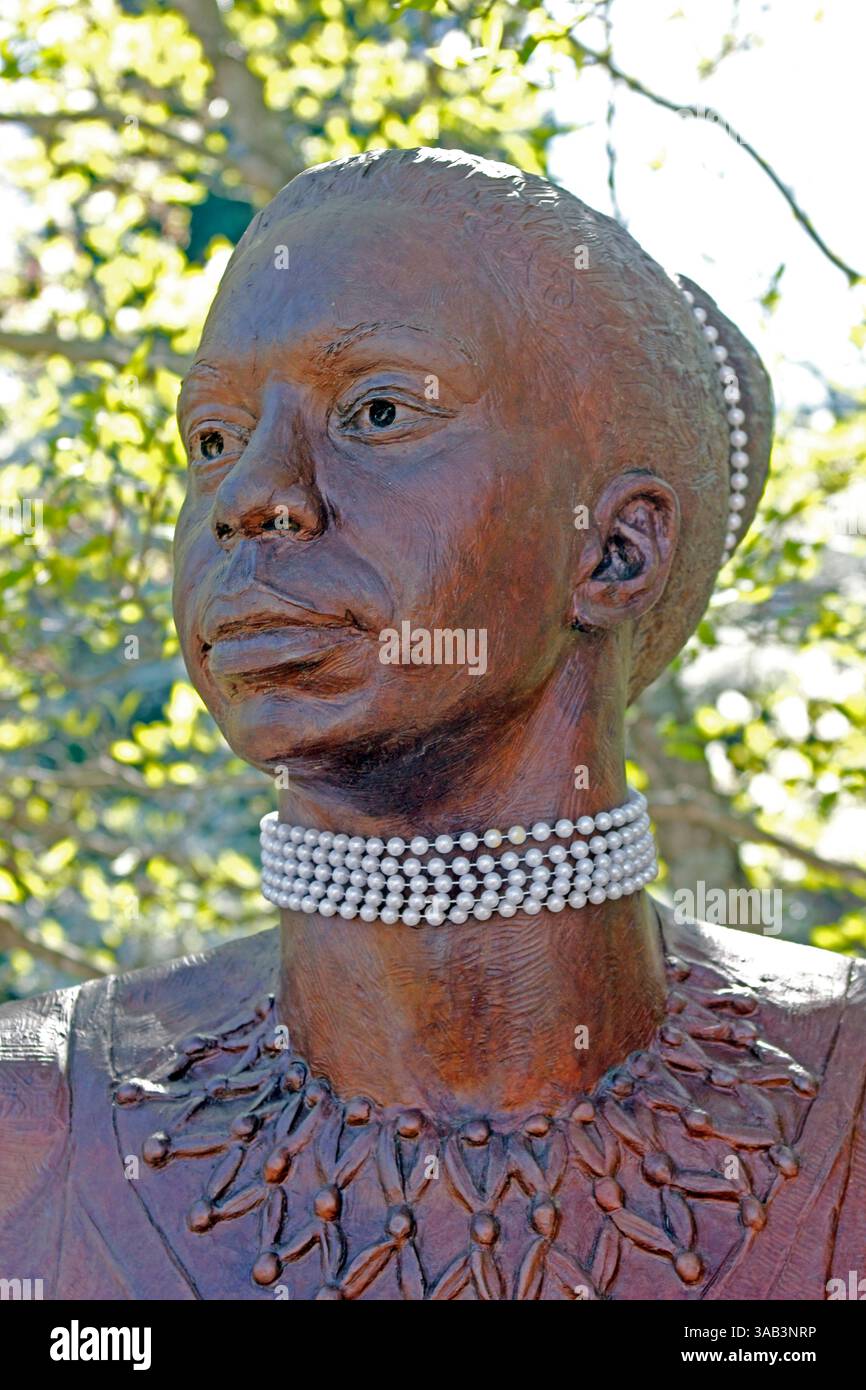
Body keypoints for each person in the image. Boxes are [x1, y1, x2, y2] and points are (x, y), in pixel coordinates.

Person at [1, 149, 863, 1301]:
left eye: (378, 410)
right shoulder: (33, 1127)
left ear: (613, 550)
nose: (250, 496)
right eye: (209, 439)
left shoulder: (842, 1097)